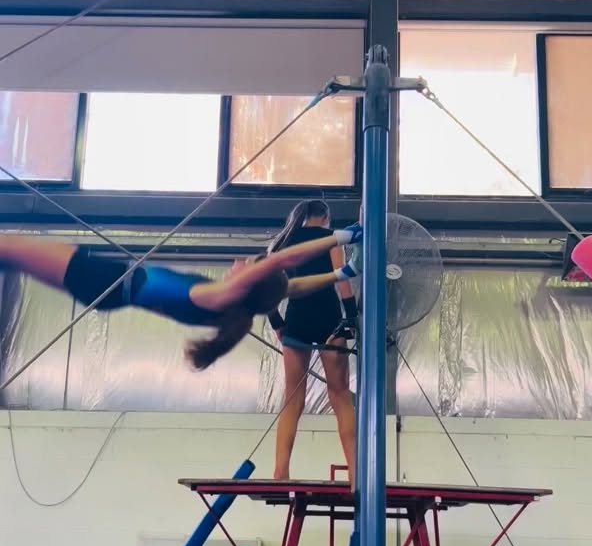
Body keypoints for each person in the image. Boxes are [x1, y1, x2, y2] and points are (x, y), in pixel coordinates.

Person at [0, 225, 362, 373]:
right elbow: (290, 287)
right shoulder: (235, 305)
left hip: (102, 281)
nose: (241, 262)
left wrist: (340, 236)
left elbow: (284, 260)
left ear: (251, 282)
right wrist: (338, 276)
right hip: (106, 283)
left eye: (250, 264)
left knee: (7, 246)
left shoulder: (223, 296)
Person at [266, 199, 359, 487]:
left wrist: (277, 323)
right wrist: (351, 318)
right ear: (325, 217)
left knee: (292, 399)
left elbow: (266, 286)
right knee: (340, 395)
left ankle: (280, 471)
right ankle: (356, 475)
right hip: (329, 318)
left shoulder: (283, 241)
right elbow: (341, 279)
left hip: (297, 318)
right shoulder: (330, 239)